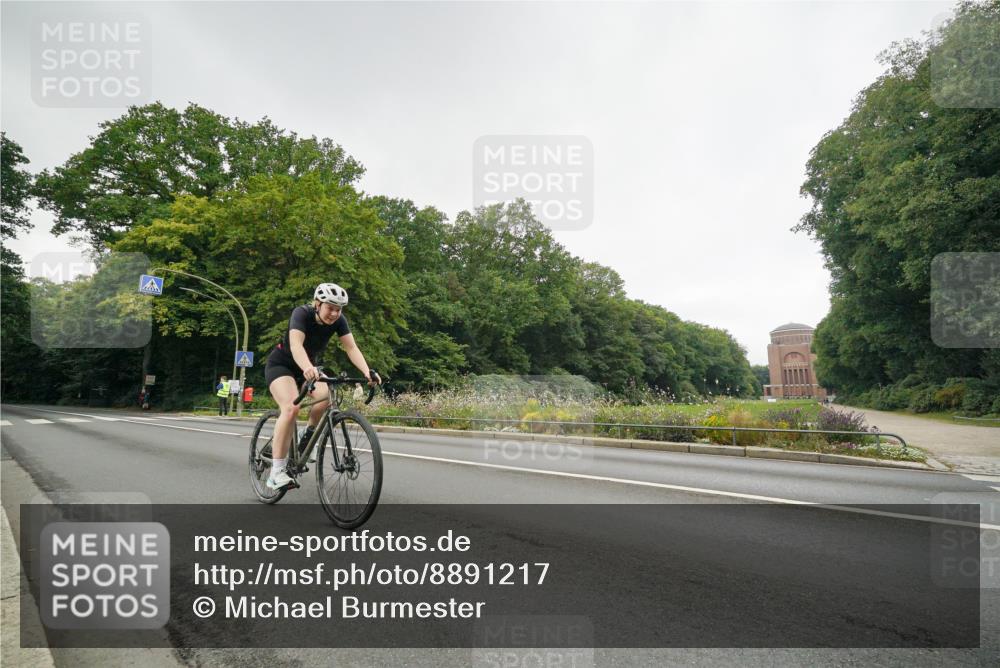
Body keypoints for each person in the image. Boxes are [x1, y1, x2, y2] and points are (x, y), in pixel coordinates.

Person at [263, 283, 380, 490]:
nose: (334, 313)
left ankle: (307, 435)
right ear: (317, 304)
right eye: (330, 308)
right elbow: (296, 345)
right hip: (282, 365)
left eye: (339, 309)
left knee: (326, 397)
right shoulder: (301, 314)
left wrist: (366, 371)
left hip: (309, 368)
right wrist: (308, 367)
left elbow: (351, 348)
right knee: (291, 408)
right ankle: (276, 473)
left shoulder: (339, 321)